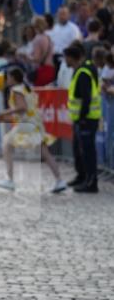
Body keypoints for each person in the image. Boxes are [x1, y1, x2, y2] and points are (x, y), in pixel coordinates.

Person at [0, 67, 66, 194]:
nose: (7, 79)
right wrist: (7, 117)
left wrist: (6, 112)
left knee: (7, 144)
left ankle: (10, 180)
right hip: (35, 123)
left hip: (27, 125)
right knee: (44, 153)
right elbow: (25, 111)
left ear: (13, 78)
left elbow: (22, 108)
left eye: (9, 77)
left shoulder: (16, 90)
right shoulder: (26, 88)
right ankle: (59, 179)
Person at [64, 42, 101, 193]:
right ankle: (84, 177)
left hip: (87, 118)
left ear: (72, 58)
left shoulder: (83, 73)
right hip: (83, 118)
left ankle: (91, 182)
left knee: (88, 151)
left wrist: (82, 118)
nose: (65, 61)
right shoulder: (81, 70)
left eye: (66, 58)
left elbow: (86, 98)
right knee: (81, 151)